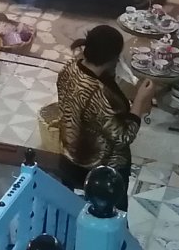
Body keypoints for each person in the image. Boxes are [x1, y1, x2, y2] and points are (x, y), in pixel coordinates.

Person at [56, 25, 156, 209]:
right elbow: (123, 137)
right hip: (100, 168)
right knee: (110, 219)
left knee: (72, 212)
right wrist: (140, 102)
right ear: (113, 58)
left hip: (69, 157)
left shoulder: (69, 69)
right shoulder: (96, 94)